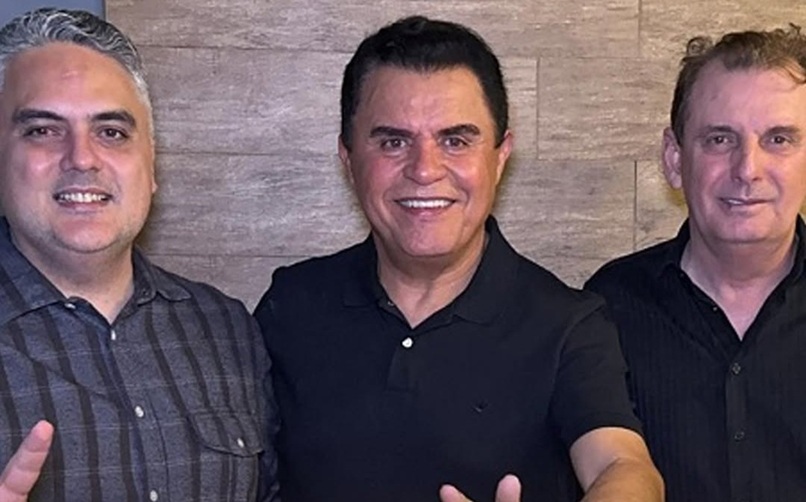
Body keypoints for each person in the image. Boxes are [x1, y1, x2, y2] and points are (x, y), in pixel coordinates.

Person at [254, 15, 662, 502]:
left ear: (500, 156)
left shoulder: (569, 324)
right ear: (348, 159)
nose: (425, 170)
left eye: (456, 141)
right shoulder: (292, 303)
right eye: (393, 142)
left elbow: (625, 467)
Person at [0, 8, 278, 501]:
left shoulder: (226, 328)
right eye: (43, 129)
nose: (82, 158)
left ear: (151, 167)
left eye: (111, 132)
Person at [585, 25, 806, 502]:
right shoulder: (606, 308)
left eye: (779, 139)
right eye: (720, 139)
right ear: (673, 159)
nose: (747, 169)